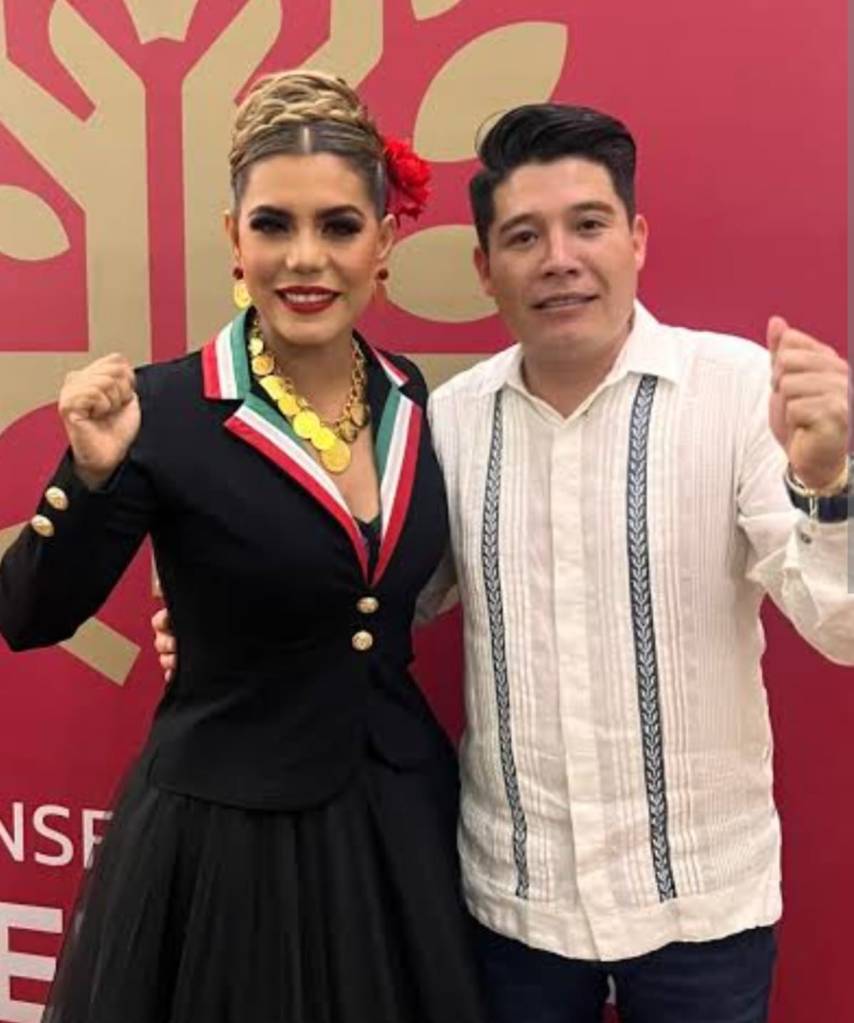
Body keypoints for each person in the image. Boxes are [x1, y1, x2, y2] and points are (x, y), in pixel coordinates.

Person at [153, 102, 853, 1021]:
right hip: (515, 909)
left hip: (700, 904)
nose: (559, 258)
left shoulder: (737, 395)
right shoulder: (448, 420)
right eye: (524, 236)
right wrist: (236, 631)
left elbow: (840, 628)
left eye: (588, 225)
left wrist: (828, 484)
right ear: (486, 269)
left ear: (637, 239)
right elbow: (389, 593)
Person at [0, 70, 485, 1023]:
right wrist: (90, 477)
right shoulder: (162, 409)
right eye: (273, 225)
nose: (306, 258)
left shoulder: (410, 395)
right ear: (235, 238)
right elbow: (28, 615)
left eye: (338, 226)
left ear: (384, 242)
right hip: (228, 844)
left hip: (398, 821)